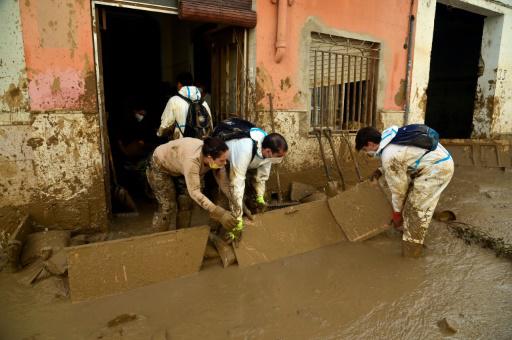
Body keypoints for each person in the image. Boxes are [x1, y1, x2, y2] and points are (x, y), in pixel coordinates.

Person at [355, 125, 454, 257]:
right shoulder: (389, 134)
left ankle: (411, 254)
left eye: (364, 149)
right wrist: (381, 170)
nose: (367, 152)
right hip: (437, 160)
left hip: (436, 170)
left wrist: (397, 214)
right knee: (413, 200)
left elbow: (399, 191)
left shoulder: (389, 156)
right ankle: (433, 214)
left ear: (370, 144)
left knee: (415, 211)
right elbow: (404, 156)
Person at [146, 136, 237, 232]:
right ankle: (158, 238)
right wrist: (219, 213)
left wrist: (234, 201)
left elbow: (224, 183)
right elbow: (195, 192)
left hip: (180, 165)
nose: (225, 163)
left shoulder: (214, 155)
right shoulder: (192, 160)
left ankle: (182, 235)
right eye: (222, 161)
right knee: (167, 206)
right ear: (210, 158)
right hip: (160, 165)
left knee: (186, 204)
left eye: (225, 160)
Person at [223, 130, 288, 240]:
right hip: (226, 160)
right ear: (268, 151)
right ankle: (234, 218)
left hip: (248, 161)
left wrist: (260, 197)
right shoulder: (245, 148)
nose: (280, 159)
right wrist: (237, 220)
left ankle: (248, 205)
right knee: (232, 189)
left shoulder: (268, 151)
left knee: (249, 190)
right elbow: (236, 185)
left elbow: (262, 177)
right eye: (279, 156)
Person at [157, 72, 213, 140]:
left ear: (179, 84)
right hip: (200, 143)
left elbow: (166, 123)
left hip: (181, 143)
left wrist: (159, 133)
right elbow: (210, 124)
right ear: (192, 84)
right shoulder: (203, 102)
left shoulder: (174, 100)